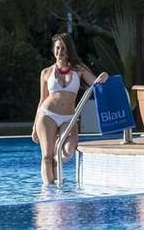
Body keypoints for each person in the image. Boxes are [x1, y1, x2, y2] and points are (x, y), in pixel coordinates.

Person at [32, 33, 108, 184]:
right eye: (58, 48)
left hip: (69, 117)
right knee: (46, 156)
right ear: (54, 50)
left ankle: (55, 163)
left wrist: (104, 75)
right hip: (47, 115)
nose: (60, 52)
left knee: (67, 151)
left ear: (69, 51)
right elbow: (42, 100)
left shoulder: (78, 69)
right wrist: (34, 126)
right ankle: (49, 193)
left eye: (64, 49)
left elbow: (95, 82)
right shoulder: (46, 73)